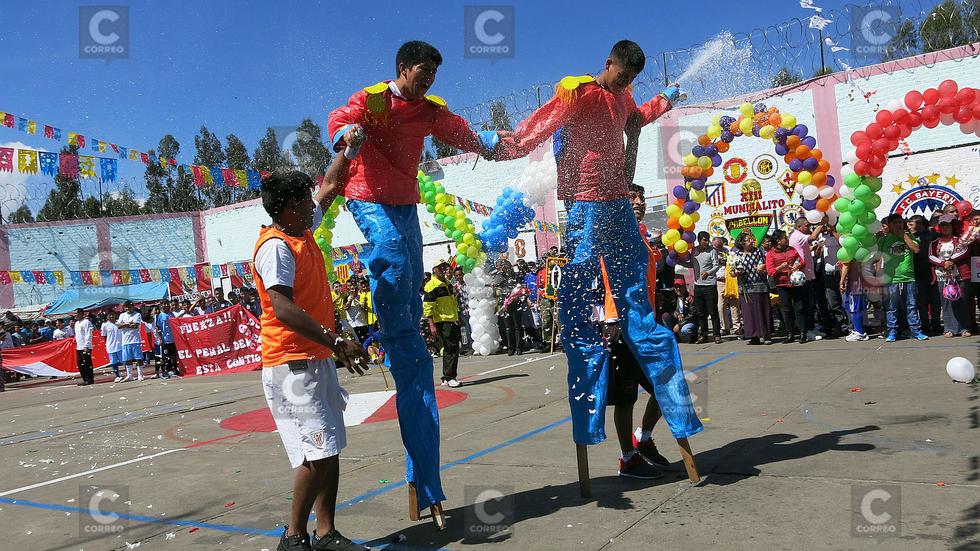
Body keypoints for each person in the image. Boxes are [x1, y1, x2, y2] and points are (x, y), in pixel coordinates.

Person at [492, 39, 702, 446]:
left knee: (637, 290)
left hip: (616, 202)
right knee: (581, 288)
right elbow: (543, 123)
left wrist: (669, 97)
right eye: (623, 75)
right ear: (609, 63)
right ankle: (590, 396)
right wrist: (504, 144)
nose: (626, 83)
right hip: (586, 203)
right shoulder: (580, 91)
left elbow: (638, 118)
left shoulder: (623, 100)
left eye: (632, 79)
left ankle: (653, 364)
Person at [251, 170, 369, 551]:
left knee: (329, 448)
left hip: (315, 358)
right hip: (291, 365)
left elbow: (330, 188)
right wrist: (336, 340)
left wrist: (350, 147)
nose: (312, 204)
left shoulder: (300, 230)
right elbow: (282, 308)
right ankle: (293, 536)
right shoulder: (276, 247)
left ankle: (326, 532)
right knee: (315, 454)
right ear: (288, 208)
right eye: (305, 200)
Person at [879, 214, 929, 342]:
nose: (898, 225)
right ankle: (892, 332)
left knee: (911, 306)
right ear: (889, 225)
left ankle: (916, 331)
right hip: (891, 279)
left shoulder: (909, 236)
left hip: (909, 278)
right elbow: (875, 256)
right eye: (895, 223)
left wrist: (905, 236)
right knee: (891, 307)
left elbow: (916, 249)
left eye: (900, 222)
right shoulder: (884, 239)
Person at [928, 215, 972, 337]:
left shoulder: (960, 240)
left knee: (961, 300)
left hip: (959, 275)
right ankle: (949, 329)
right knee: (946, 302)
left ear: (952, 226)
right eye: (942, 225)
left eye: (947, 225)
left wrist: (951, 261)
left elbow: (965, 251)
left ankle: (963, 328)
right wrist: (943, 263)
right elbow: (931, 256)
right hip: (943, 276)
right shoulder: (934, 242)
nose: (945, 227)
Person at [423, 261, 461, 387]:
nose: (443, 270)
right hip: (443, 321)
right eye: (440, 268)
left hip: (451, 319)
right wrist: (431, 324)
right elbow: (428, 306)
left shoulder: (447, 282)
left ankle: (446, 376)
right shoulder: (431, 285)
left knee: (448, 348)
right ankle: (450, 377)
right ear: (434, 270)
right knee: (452, 348)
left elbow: (452, 302)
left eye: (444, 267)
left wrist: (457, 317)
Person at [766, 230, 808, 344]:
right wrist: (780, 267)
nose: (787, 239)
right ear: (779, 241)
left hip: (795, 283)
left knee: (799, 308)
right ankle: (790, 334)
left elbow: (802, 261)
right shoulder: (771, 253)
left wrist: (798, 265)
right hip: (782, 285)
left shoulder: (792, 249)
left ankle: (803, 333)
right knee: (787, 310)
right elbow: (770, 271)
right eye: (784, 237)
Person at [732, 232, 772, 345]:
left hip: (760, 285)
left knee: (763, 311)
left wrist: (762, 266)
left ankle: (766, 335)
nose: (751, 241)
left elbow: (767, 263)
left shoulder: (759, 251)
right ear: (742, 243)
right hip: (746, 288)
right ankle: (754, 336)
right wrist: (736, 272)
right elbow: (732, 271)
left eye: (751, 239)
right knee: (749, 313)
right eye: (748, 239)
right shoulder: (736, 255)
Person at [789, 218, 824, 341]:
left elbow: (803, 250)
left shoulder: (799, 236)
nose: (808, 228)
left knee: (811, 304)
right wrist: (822, 223)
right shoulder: (797, 236)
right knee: (805, 305)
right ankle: (807, 330)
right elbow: (813, 237)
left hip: (808, 275)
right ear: (799, 227)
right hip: (802, 277)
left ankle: (811, 328)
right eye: (806, 226)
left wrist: (812, 249)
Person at [910, 215, 943, 335]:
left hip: (932, 271)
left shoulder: (934, 235)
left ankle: (936, 324)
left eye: (917, 224)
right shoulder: (910, 237)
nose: (915, 226)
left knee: (935, 301)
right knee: (922, 302)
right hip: (918, 273)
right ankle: (924, 325)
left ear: (923, 224)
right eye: (912, 224)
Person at [691, 232, 723, 344]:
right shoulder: (694, 251)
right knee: (700, 313)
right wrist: (677, 259)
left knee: (713, 311)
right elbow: (691, 264)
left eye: (707, 239)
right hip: (698, 285)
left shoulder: (712, 251)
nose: (706, 242)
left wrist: (708, 273)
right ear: (699, 240)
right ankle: (703, 335)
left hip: (710, 285)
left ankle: (717, 334)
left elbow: (716, 265)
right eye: (704, 240)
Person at [839, 260, 869, 341]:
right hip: (860, 284)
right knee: (856, 308)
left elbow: (846, 266)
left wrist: (841, 282)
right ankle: (857, 330)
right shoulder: (861, 252)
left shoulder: (851, 252)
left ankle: (859, 332)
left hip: (855, 285)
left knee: (855, 309)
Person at [661, 277, 697, 343]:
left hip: (687, 320)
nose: (678, 289)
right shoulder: (672, 298)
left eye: (680, 287)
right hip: (677, 319)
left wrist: (680, 325)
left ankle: (693, 335)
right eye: (676, 287)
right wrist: (677, 314)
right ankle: (673, 336)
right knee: (665, 316)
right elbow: (668, 309)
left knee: (685, 331)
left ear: (684, 287)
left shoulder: (690, 298)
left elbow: (692, 314)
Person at [117, 301, 146, 382]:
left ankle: (140, 375)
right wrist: (128, 324)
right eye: (126, 307)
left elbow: (135, 325)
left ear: (133, 307)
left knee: (138, 359)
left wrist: (125, 324)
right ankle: (130, 375)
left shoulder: (137, 314)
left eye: (129, 307)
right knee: (127, 359)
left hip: (135, 340)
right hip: (125, 341)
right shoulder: (122, 315)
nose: (127, 308)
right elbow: (119, 326)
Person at [155, 300, 180, 378]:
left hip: (173, 339)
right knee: (164, 356)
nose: (166, 305)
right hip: (165, 340)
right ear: (161, 306)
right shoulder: (160, 316)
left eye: (167, 304)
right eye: (164, 304)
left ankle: (174, 369)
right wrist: (161, 339)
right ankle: (164, 371)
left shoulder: (172, 314)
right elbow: (157, 328)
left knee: (173, 356)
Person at [100, 310, 124, 382]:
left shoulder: (119, 323)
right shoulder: (105, 325)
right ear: (107, 317)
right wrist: (107, 344)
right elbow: (104, 336)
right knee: (113, 362)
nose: (111, 316)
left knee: (124, 361)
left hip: (120, 345)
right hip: (111, 346)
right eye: (109, 315)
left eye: (113, 315)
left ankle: (129, 374)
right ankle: (117, 376)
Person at [74, 308, 94, 386]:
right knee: (80, 364)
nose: (75, 315)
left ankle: (90, 379)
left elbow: (88, 334)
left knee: (87, 363)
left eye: (77, 313)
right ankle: (85, 379)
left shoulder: (86, 322)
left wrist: (87, 345)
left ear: (82, 314)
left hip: (85, 346)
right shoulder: (76, 323)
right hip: (79, 346)